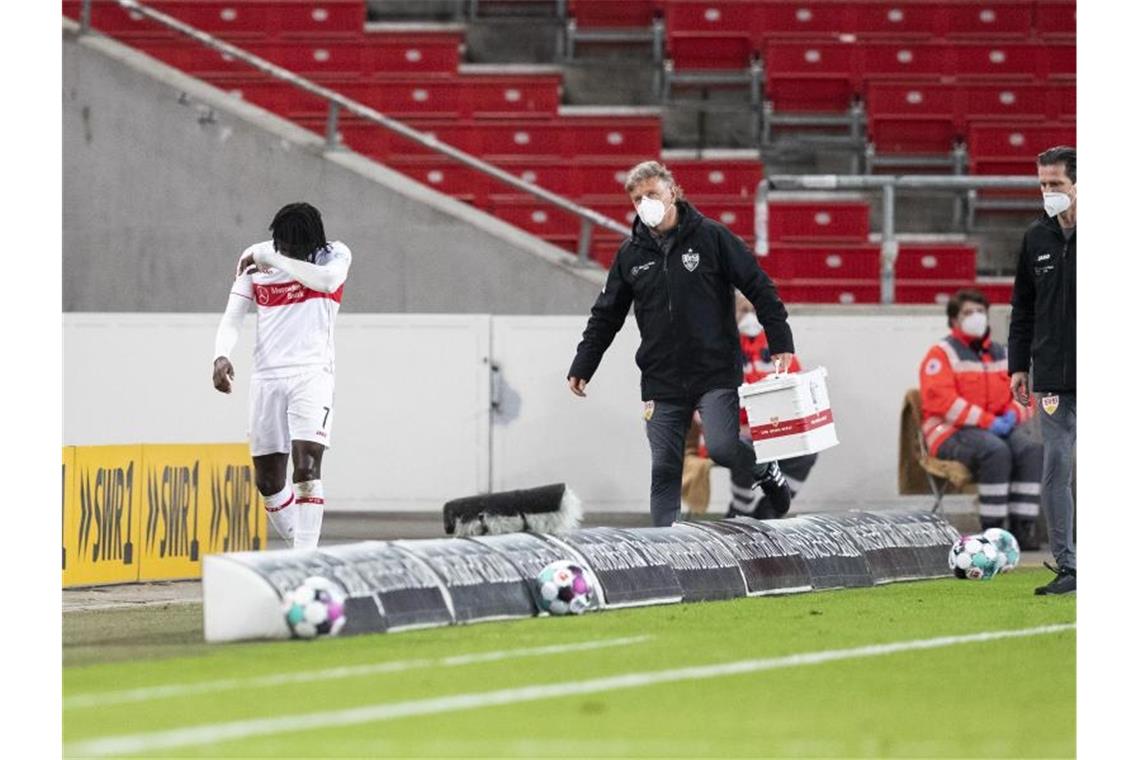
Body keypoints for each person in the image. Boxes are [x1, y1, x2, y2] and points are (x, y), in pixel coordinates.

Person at [567, 160, 795, 527]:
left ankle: (765, 470)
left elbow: (759, 287)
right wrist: (583, 364)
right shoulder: (630, 255)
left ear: (673, 192)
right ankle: (666, 554)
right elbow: (605, 315)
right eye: (638, 198)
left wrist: (780, 340)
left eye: (652, 194)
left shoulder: (713, 238)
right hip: (661, 378)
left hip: (714, 371)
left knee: (722, 447)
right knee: (665, 468)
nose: (645, 203)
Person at [211, 202, 351, 550]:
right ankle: (300, 549)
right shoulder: (256, 257)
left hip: (312, 374)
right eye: (280, 245)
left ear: (312, 245)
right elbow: (233, 316)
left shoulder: (333, 256)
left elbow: (328, 281)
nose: (284, 250)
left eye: (292, 247)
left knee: (305, 469)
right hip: (266, 378)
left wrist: (271, 258)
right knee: (269, 482)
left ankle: (305, 561)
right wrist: (220, 355)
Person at [919, 289, 1041, 549]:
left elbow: (1026, 396)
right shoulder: (941, 354)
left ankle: (1023, 527)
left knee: (1031, 450)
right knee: (995, 451)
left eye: (980, 311)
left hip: (997, 428)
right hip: (949, 432)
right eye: (967, 312)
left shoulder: (1004, 353)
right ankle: (993, 529)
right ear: (954, 320)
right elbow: (941, 401)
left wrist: (1013, 413)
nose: (976, 317)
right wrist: (989, 421)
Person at [1009, 145, 1077, 595]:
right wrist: (1019, 366)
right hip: (1053, 373)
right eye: (1043, 184)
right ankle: (1070, 567)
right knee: (1057, 464)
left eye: (1056, 184)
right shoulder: (1036, 239)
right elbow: (1022, 309)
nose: (1049, 192)